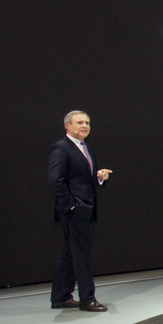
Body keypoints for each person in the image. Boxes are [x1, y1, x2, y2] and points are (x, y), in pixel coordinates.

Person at [48, 110, 113, 312]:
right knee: (82, 254)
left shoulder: (86, 148)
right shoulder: (61, 148)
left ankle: (60, 296)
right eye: (79, 122)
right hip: (76, 211)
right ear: (67, 126)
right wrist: (72, 206)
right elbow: (55, 181)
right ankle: (87, 299)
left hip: (86, 209)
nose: (84, 126)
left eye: (87, 122)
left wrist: (98, 177)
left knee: (69, 253)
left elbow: (81, 178)